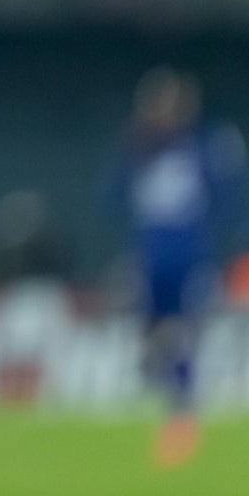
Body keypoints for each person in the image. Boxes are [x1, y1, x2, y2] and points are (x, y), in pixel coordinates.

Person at [112, 66, 243, 467]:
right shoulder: (138, 148)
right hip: (151, 257)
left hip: (190, 257)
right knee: (151, 338)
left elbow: (229, 198)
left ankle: (182, 419)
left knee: (183, 333)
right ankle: (171, 400)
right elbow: (113, 194)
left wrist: (220, 249)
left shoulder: (206, 145)